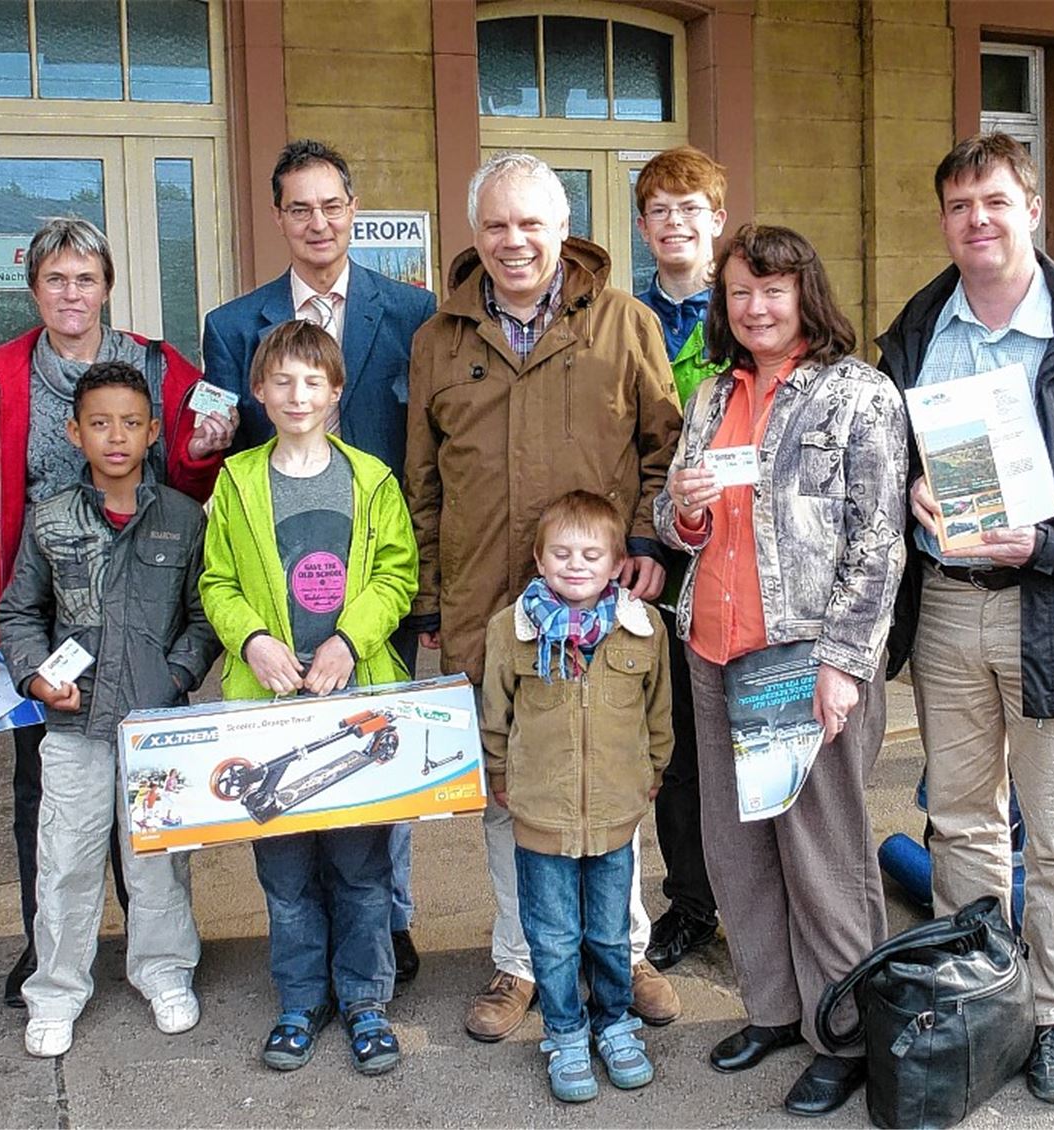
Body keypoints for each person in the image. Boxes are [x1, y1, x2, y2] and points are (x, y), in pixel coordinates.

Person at [405, 151, 683, 1041]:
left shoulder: (624, 323)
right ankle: (521, 963)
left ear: (563, 229)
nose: (513, 241)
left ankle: (620, 954)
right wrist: (433, 603)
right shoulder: (439, 338)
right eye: (496, 225)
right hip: (490, 610)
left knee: (607, 778)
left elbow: (663, 451)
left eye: (531, 223)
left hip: (600, 607)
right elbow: (424, 482)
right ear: (475, 234)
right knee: (506, 789)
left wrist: (643, 543)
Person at [878, 133, 1054, 1105]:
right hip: (947, 606)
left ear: (1031, 208)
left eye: (995, 200)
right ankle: (986, 992)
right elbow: (884, 450)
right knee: (962, 817)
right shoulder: (920, 324)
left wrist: (1053, 540)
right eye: (960, 204)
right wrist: (911, 487)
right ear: (944, 220)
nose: (977, 218)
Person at [655, 223, 907, 1117]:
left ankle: (842, 1036)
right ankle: (774, 1008)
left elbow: (880, 541)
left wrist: (844, 662)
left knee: (824, 857)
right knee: (737, 843)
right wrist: (679, 513)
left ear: (805, 293)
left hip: (806, 658)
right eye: (738, 294)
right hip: (715, 649)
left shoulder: (857, 394)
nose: (755, 308)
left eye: (772, 290)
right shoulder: (714, 393)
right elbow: (685, 520)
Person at [0, 216, 232, 1009]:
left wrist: (206, 443)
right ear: (34, 290)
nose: (70, 293)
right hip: (47, 602)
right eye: (55, 279)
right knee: (50, 797)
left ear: (107, 286)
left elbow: (205, 438)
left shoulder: (153, 365)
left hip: (148, 596)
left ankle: (155, 956)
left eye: (84, 278)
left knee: (149, 812)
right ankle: (48, 949)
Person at [202, 139, 435, 979]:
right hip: (278, 587)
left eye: (331, 204)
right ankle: (314, 955)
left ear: (353, 210)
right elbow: (216, 446)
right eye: (299, 207)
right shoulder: (233, 325)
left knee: (373, 749)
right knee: (295, 774)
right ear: (278, 218)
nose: (317, 221)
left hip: (373, 578)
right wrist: (205, 445)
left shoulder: (412, 312)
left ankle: (386, 924)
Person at [199, 320, 419, 1075]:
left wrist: (348, 640)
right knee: (286, 874)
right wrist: (253, 638)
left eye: (312, 382)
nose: (297, 395)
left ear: (335, 392)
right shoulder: (237, 482)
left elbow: (397, 576)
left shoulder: (370, 479)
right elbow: (216, 581)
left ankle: (365, 1001)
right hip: (268, 707)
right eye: (282, 382)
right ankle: (299, 999)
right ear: (258, 391)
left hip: (352, 701)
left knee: (362, 870)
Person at [0, 361, 221, 1058]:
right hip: (73, 726)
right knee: (65, 859)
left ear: (154, 432)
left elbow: (203, 617)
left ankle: (163, 971)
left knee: (155, 858)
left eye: (130, 423)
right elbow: (18, 613)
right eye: (99, 423)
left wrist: (173, 676)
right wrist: (35, 678)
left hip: (154, 729)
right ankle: (57, 989)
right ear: (74, 431)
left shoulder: (181, 520)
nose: (115, 437)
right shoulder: (51, 519)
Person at [480, 491, 673, 1102]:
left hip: (615, 815)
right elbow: (495, 716)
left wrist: (653, 770)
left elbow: (658, 713)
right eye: (561, 553)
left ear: (617, 564)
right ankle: (565, 1032)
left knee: (611, 933)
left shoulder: (643, 630)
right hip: (540, 815)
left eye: (592, 554)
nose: (575, 565)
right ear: (539, 561)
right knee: (554, 936)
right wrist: (500, 776)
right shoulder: (510, 631)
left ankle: (616, 1022)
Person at [633, 145, 728, 971]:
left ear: (717, 221)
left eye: (688, 208)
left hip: (744, 555)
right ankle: (691, 901)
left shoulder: (752, 312)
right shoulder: (621, 318)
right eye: (659, 210)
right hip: (656, 557)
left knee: (753, 731)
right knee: (678, 746)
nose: (674, 223)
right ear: (642, 226)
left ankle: (765, 894)